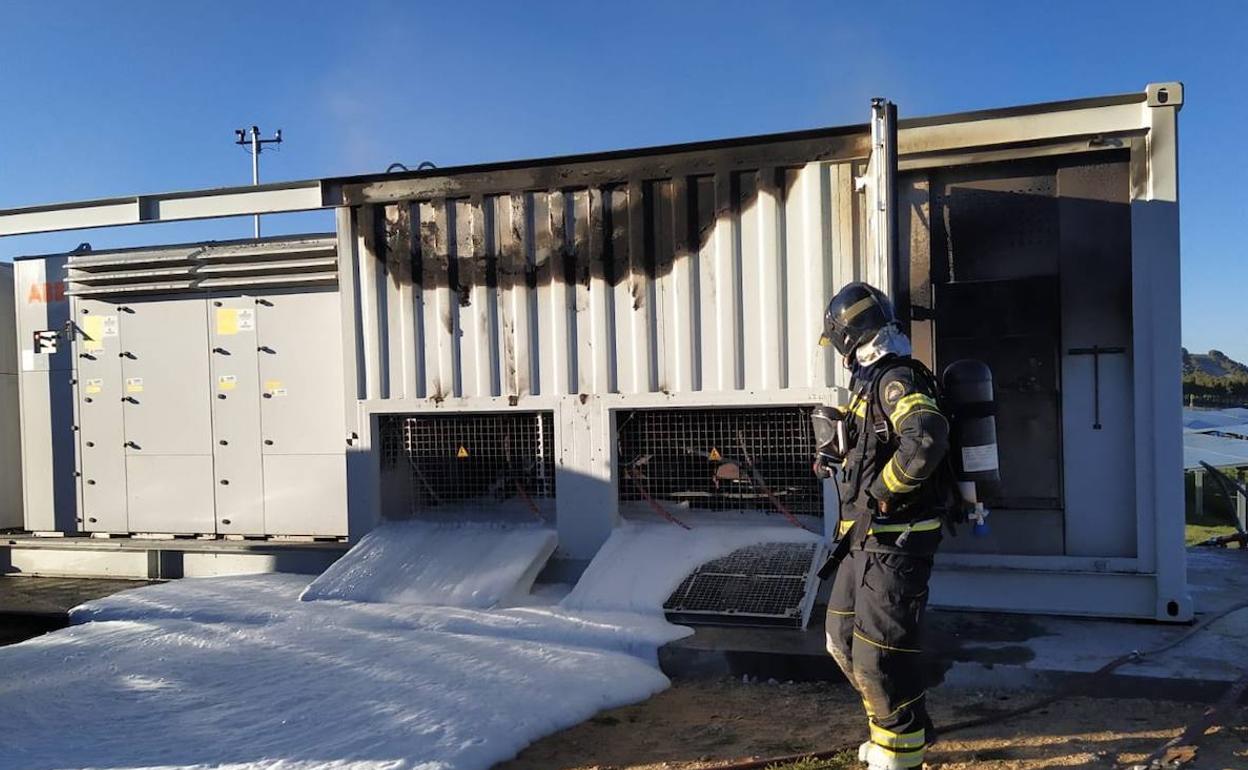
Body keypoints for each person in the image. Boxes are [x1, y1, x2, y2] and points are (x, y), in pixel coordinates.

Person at [815, 282, 950, 770]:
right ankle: (895, 729)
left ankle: (899, 753)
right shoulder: (870, 385)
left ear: (850, 338)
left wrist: (883, 492)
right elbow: (875, 447)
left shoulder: (896, 379)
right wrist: (837, 454)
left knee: (879, 657)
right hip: (864, 540)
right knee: (842, 638)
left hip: (896, 543)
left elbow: (926, 436)